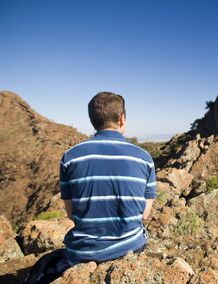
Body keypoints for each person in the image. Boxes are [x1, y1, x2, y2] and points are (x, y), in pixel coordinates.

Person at [59, 91, 156, 267]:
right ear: (121, 118)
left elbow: (71, 213)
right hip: (129, 248)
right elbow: (144, 214)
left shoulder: (70, 157)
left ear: (93, 121)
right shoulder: (144, 158)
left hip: (82, 254)